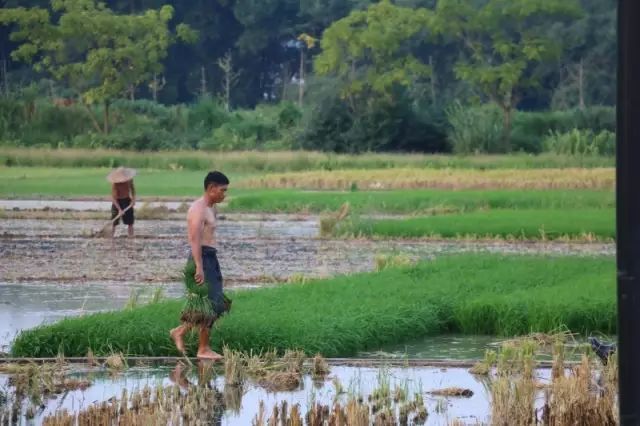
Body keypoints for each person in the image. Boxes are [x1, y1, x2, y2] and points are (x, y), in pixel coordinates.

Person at [171, 171, 230, 360]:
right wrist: (199, 267)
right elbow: (194, 239)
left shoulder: (211, 208)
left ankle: (180, 331)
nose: (224, 194)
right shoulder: (198, 208)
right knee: (209, 303)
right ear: (211, 188)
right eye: (222, 190)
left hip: (210, 257)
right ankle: (203, 348)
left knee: (216, 303)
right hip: (201, 258)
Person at [106, 167, 136, 238]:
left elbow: (133, 190)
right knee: (114, 222)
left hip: (127, 200)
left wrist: (133, 200)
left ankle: (130, 236)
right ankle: (111, 236)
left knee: (130, 222)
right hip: (117, 202)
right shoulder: (115, 184)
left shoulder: (129, 180)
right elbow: (114, 198)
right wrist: (119, 209)